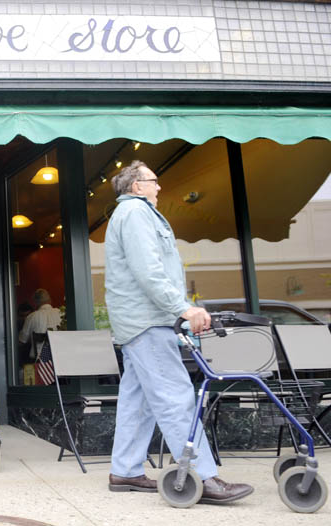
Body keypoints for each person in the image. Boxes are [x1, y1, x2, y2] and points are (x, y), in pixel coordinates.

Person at [104, 160, 253, 503]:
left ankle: (124, 470)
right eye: (154, 181)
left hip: (139, 320)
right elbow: (149, 271)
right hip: (147, 321)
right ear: (137, 186)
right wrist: (184, 308)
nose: (159, 187)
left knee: (137, 400)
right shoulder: (136, 214)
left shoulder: (132, 215)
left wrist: (180, 310)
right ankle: (203, 476)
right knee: (175, 397)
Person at [18, 288, 62, 360]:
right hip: (58, 358)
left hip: (37, 361)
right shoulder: (61, 313)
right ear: (50, 300)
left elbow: (22, 341)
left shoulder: (31, 316)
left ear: (35, 302)